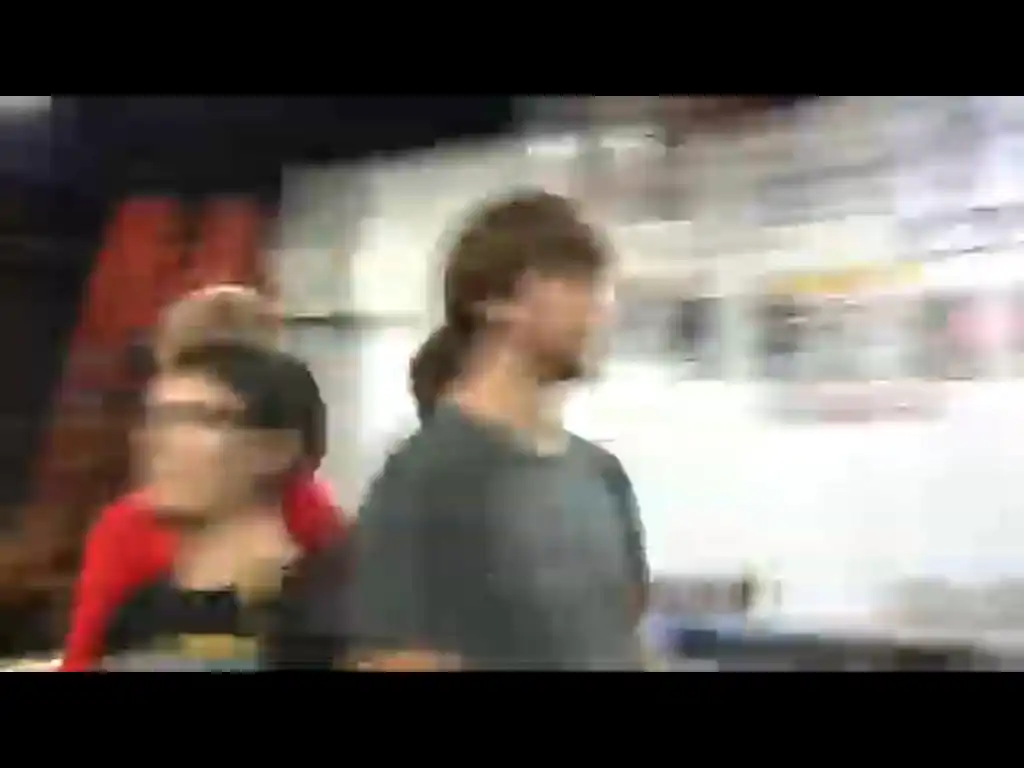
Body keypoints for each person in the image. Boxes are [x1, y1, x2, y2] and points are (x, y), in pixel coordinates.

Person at [351, 190, 644, 671]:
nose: (601, 310)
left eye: (601, 288)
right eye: (577, 283)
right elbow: (399, 659)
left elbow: (626, 642)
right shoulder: (427, 475)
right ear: (494, 301)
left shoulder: (602, 476)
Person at [61, 285, 343, 671]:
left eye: (198, 418)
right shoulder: (133, 616)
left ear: (275, 448)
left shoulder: (337, 613)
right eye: (155, 418)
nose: (159, 441)